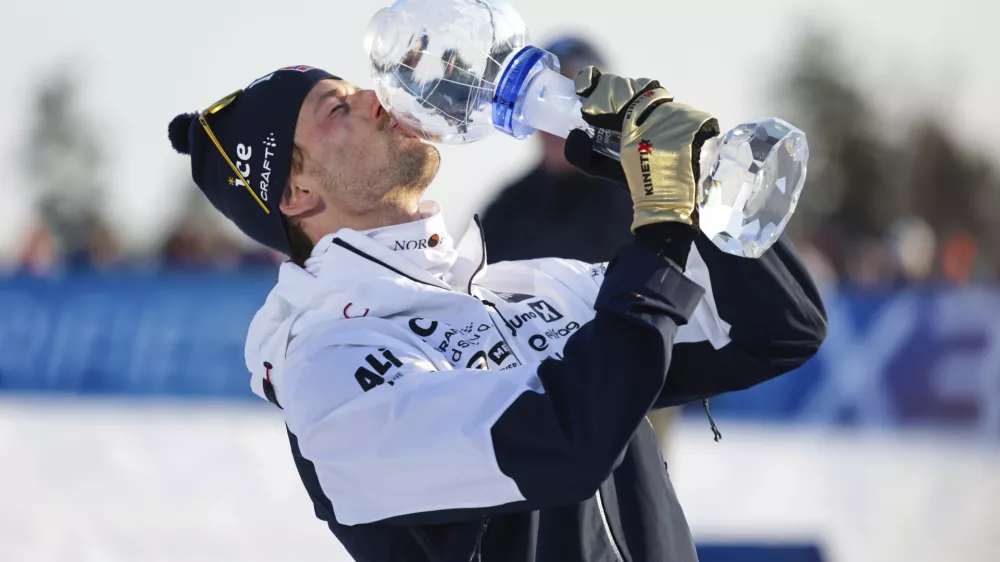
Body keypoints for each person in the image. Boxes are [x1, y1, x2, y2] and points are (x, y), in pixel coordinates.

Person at [168, 63, 826, 562]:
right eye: (337, 107)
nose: (375, 96)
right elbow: (566, 445)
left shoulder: (519, 285)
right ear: (295, 190)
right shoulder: (328, 368)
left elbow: (778, 327)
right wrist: (656, 228)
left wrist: (686, 176)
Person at [479, 35, 681, 458]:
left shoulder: (644, 199)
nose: (551, 119)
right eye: (541, 97)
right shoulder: (506, 209)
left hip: (631, 395)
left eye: (565, 98)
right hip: (534, 401)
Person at [479, 36, 633, 264]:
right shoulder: (505, 210)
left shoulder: (643, 208)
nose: (554, 114)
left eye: (574, 99)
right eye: (542, 96)